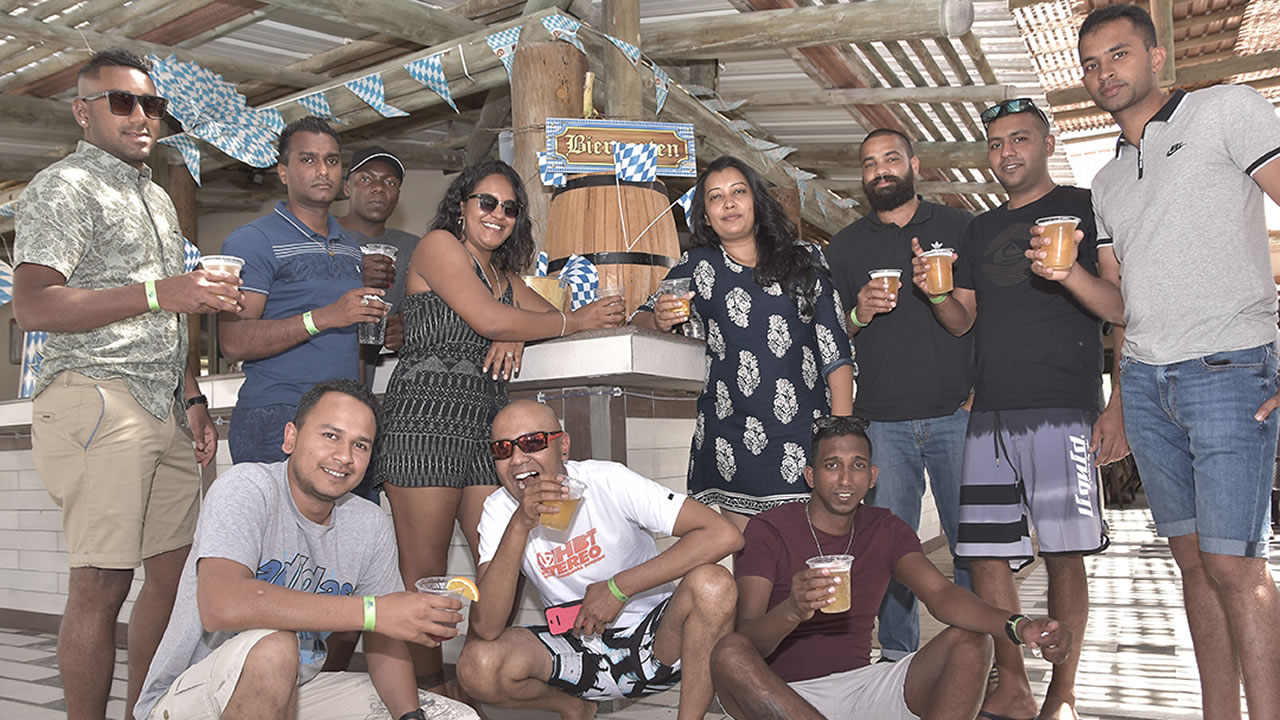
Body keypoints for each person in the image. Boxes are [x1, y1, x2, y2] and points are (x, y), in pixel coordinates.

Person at [1058, 5, 1280, 717]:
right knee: (1191, 564)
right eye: (1092, 64)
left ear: (1157, 59)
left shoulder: (1227, 110)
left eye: (1118, 55)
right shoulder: (1107, 184)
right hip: (1149, 383)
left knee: (1233, 564)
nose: (1104, 74)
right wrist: (1118, 395)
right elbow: (1123, 304)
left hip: (1232, 363)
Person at [12, 48, 239, 720]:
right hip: (97, 396)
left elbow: (170, 314)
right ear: (84, 111)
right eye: (122, 102)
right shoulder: (63, 186)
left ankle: (146, 711)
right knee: (101, 584)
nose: (142, 116)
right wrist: (161, 289)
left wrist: (192, 398)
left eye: (152, 105)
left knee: (171, 577)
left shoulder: (160, 197)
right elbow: (34, 306)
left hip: (162, 407)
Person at [368, 161, 624, 694]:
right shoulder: (438, 246)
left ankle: (486, 683)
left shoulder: (504, 281)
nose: (498, 214)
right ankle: (432, 698)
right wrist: (521, 325)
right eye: (486, 202)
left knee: (499, 567)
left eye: (510, 208)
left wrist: (527, 331)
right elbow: (491, 319)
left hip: (487, 435)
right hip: (424, 426)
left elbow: (545, 320)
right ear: (461, 207)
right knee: (427, 577)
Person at [910, 97, 1120, 720]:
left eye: (1020, 139)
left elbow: (1122, 305)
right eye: (997, 143)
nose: (1007, 153)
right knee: (983, 553)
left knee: (1063, 552)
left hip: (1063, 407)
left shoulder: (1086, 206)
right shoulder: (977, 230)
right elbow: (960, 321)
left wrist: (1119, 405)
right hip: (991, 411)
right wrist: (938, 291)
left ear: (1047, 144)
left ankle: (1063, 691)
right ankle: (1016, 686)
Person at [133, 379, 477, 720]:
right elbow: (221, 604)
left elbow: (385, 641)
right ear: (290, 438)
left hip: (295, 688)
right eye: (331, 436)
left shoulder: (368, 523)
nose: (344, 456)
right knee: (274, 650)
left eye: (361, 445)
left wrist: (408, 717)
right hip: (192, 699)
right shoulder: (246, 488)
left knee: (451, 716)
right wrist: (372, 612)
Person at [710, 416, 1070, 720]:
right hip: (782, 695)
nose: (846, 479)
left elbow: (941, 594)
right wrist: (792, 610)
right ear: (810, 475)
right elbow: (750, 639)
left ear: (873, 476)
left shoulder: (885, 528)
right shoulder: (771, 529)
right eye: (832, 465)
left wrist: (1018, 625)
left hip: (863, 687)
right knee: (729, 654)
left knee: (973, 641)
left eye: (858, 465)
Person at [457, 399, 743, 720]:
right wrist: (520, 524)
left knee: (714, 583)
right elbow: (487, 626)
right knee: (476, 666)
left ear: (562, 446)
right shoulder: (500, 510)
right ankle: (575, 708)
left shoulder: (608, 481)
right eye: (503, 449)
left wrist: (619, 587)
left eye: (533, 443)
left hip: (657, 643)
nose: (518, 459)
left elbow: (724, 534)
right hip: (579, 651)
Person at [634, 155, 856, 531]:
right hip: (730, 436)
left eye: (738, 192)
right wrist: (658, 318)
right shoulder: (697, 266)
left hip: (805, 433)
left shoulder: (806, 260)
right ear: (705, 215)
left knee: (811, 553)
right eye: (716, 197)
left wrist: (842, 434)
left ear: (756, 200)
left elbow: (835, 351)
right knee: (752, 563)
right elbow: (640, 317)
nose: (729, 203)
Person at [824, 128, 975, 664]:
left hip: (956, 415)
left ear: (914, 163)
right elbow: (829, 338)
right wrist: (859, 312)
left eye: (890, 159)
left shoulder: (960, 227)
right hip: (881, 425)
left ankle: (971, 650)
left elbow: (975, 322)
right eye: (869, 164)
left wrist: (982, 389)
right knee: (890, 549)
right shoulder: (843, 247)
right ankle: (896, 658)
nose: (880, 170)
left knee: (972, 548)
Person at [218, 116, 387, 479]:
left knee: (346, 534)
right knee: (277, 537)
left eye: (332, 160)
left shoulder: (351, 247)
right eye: (308, 160)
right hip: (277, 417)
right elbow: (232, 342)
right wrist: (323, 317)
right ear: (283, 171)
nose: (323, 170)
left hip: (343, 419)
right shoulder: (253, 241)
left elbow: (353, 339)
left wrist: (362, 403)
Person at [337, 145, 415, 389]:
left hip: (372, 384)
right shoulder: (321, 237)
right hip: (309, 377)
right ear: (347, 188)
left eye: (390, 183)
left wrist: (406, 327)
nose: (379, 188)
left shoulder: (412, 247)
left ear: (398, 196)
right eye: (366, 179)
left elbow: (420, 309)